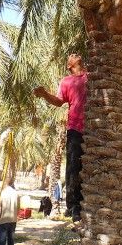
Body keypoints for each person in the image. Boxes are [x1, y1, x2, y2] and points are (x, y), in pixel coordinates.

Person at [33, 54, 87, 223]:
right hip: (75, 128)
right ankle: (73, 207)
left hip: (95, 128)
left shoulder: (92, 75)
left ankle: (86, 203)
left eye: (75, 54)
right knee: (73, 167)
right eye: (71, 56)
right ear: (69, 65)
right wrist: (44, 94)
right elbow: (58, 101)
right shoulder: (66, 81)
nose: (74, 55)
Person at [0, 180, 20, 245]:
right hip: (13, 221)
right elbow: (18, 208)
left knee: (1, 244)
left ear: (5, 183)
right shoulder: (16, 193)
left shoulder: (2, 193)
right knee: (11, 242)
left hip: (3, 221)